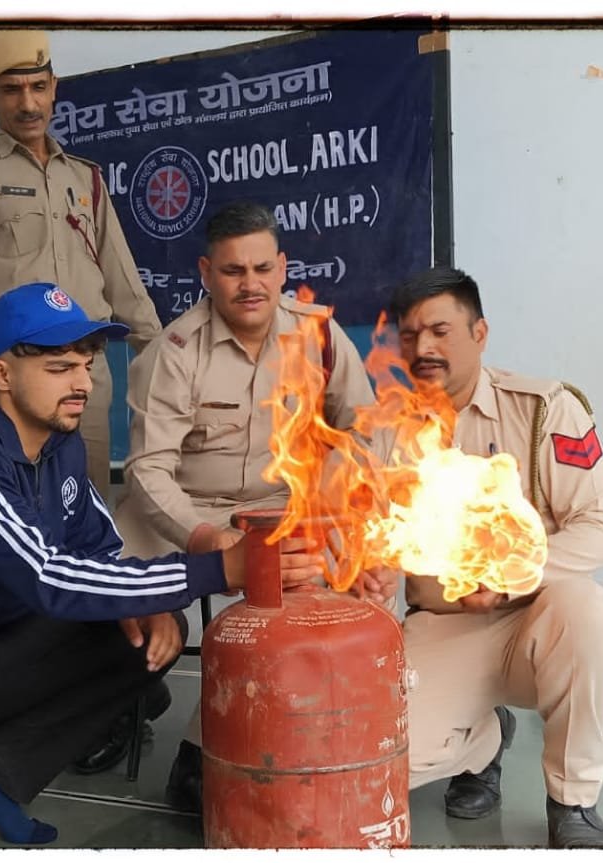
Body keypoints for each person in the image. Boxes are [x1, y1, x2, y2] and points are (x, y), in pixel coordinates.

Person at [0, 282, 321, 849]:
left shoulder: (58, 442)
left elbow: (96, 550)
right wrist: (217, 571)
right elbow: (45, 575)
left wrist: (156, 603)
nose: (82, 384)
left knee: (143, 633)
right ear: (1, 375)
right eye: (60, 367)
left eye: (87, 365)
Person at [113, 200, 389, 814]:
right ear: (207, 272)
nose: (251, 284)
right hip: (186, 507)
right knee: (115, 593)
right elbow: (147, 470)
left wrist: (328, 499)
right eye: (234, 271)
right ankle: (120, 704)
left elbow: (366, 428)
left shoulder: (318, 334)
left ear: (283, 267)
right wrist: (203, 535)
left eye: (263, 268)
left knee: (338, 586)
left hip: (283, 507)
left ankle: (209, 748)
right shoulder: (174, 349)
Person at [381, 265, 603, 849]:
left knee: (588, 615)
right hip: (443, 624)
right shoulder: (387, 428)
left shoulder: (545, 410)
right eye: (410, 335)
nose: (424, 348)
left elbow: (599, 528)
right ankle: (484, 741)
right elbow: (380, 541)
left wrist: (509, 576)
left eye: (440, 330)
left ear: (480, 332)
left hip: (540, 615)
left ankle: (575, 804)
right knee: (380, 757)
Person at [0, 29, 162, 499]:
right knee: (18, 512)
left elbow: (124, 285)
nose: (28, 104)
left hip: (87, 372)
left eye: (38, 87)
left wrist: (164, 363)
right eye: (12, 90)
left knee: (87, 506)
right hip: (15, 376)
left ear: (54, 86)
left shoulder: (85, 177)